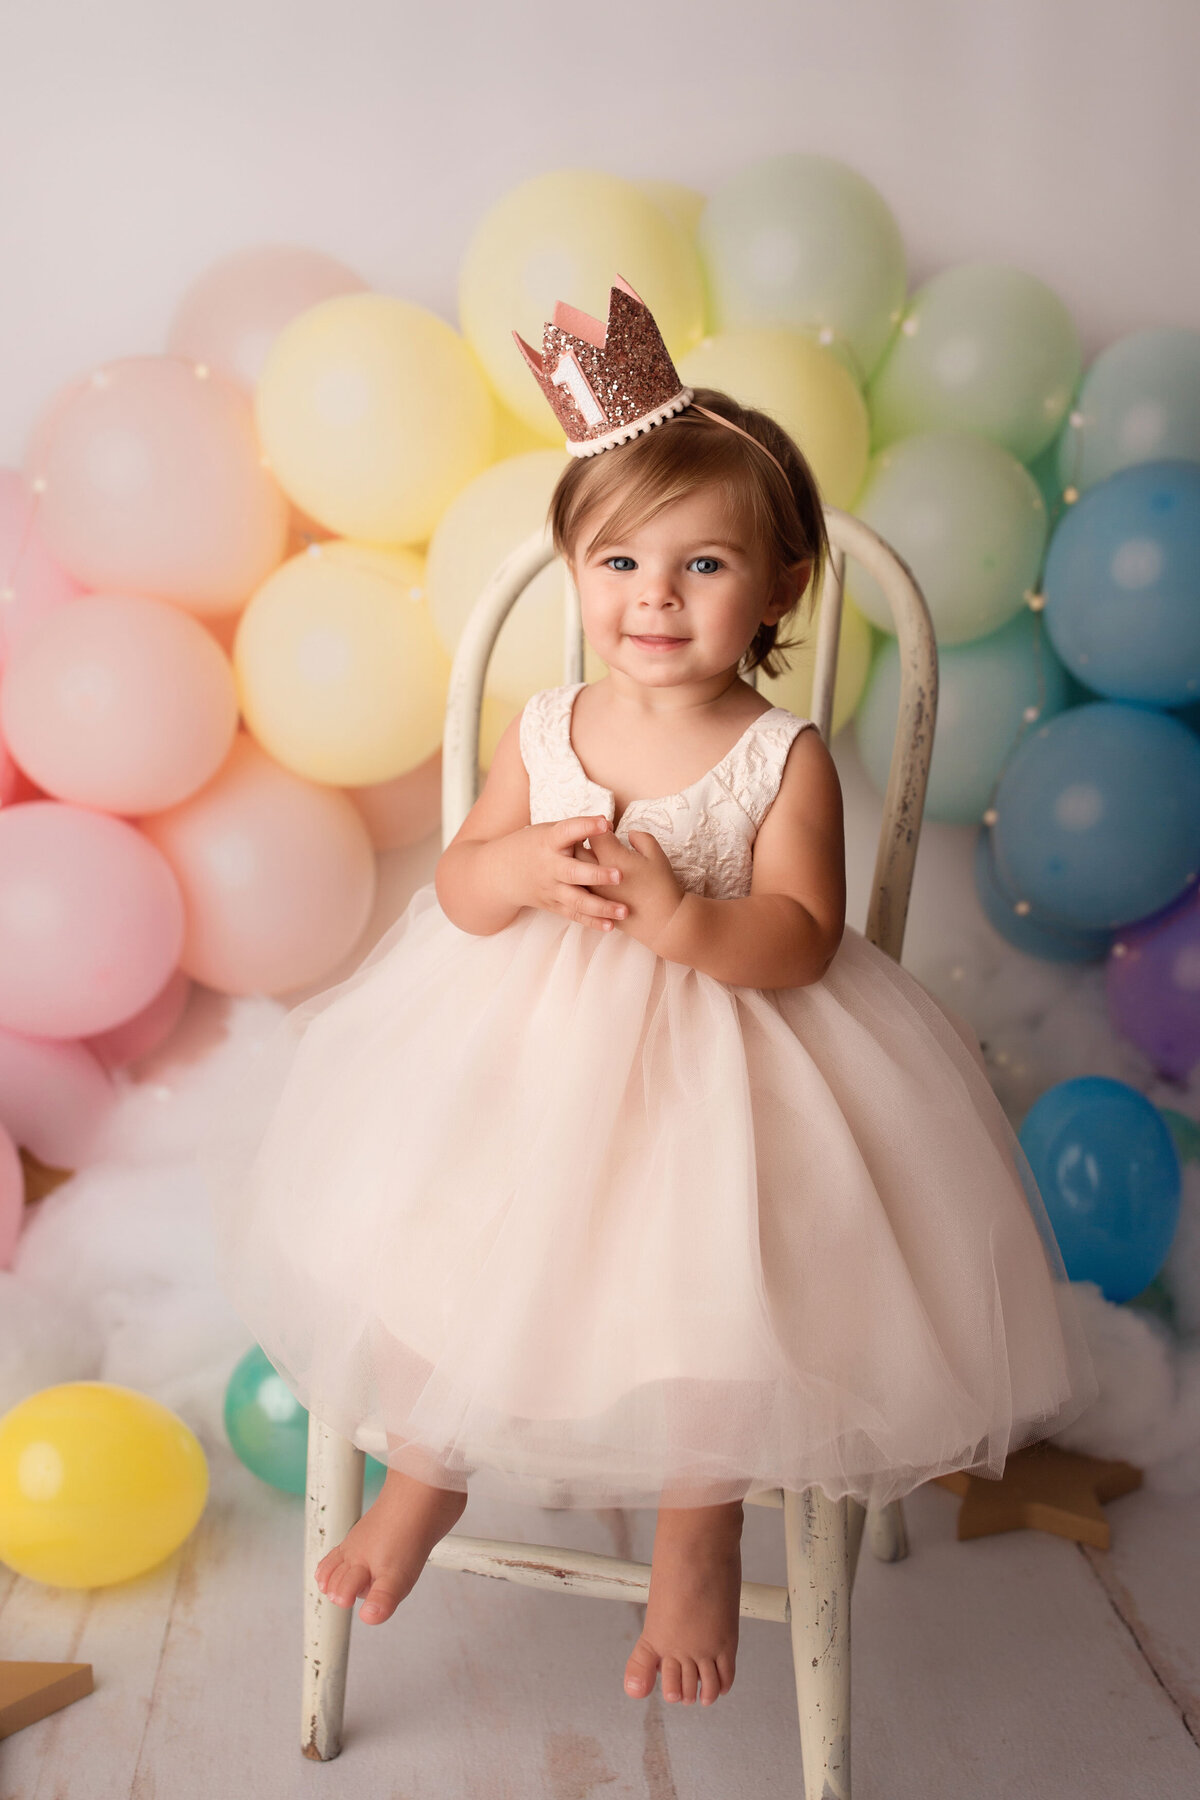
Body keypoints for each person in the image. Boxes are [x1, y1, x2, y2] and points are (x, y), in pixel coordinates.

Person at [210, 279, 1096, 1712]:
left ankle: (699, 1531)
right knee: (460, 1229)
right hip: (525, 1053)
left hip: (727, 1068)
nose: (653, 600)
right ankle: (429, 1472)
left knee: (712, 1283)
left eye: (701, 568)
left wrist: (687, 916)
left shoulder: (780, 755)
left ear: (784, 588)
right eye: (619, 564)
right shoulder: (546, 721)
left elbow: (805, 936)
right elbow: (457, 886)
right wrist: (518, 871)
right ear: (572, 572)